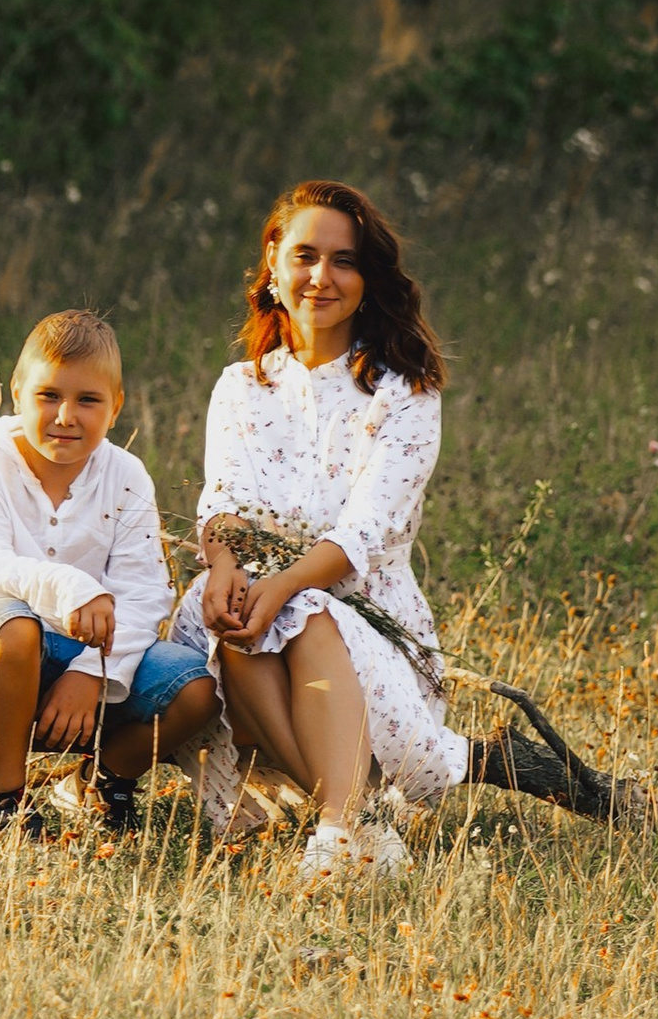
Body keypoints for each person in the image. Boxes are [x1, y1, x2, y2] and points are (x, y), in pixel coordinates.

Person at [175, 179, 464, 876]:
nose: (321, 277)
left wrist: (281, 587)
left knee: (300, 611)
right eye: (305, 256)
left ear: (368, 280)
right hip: (258, 606)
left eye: (345, 261)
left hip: (367, 616)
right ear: (273, 266)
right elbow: (224, 501)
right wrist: (224, 568)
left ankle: (336, 827)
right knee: (238, 618)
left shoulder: (404, 391)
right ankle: (353, 821)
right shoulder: (241, 386)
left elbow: (365, 532)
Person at [0, 309, 221, 836]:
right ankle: (4, 803)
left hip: (83, 663)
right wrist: (73, 587)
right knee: (16, 624)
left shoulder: (126, 475)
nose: (65, 416)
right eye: (48, 395)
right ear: (17, 392)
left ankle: (100, 781)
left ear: (116, 407)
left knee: (196, 688)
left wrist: (91, 673)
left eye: (88, 400)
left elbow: (144, 592)